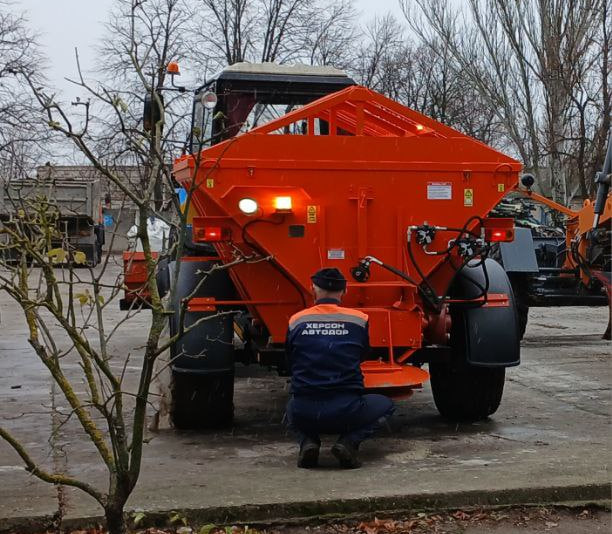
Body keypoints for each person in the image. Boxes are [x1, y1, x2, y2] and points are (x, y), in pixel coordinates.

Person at [285, 268, 395, 469]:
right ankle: (348, 442)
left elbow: (291, 357)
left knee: (291, 406)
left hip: (305, 412)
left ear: (313, 289)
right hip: (347, 411)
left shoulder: (296, 320)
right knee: (386, 404)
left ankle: (308, 442)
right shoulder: (359, 320)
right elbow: (363, 353)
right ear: (345, 290)